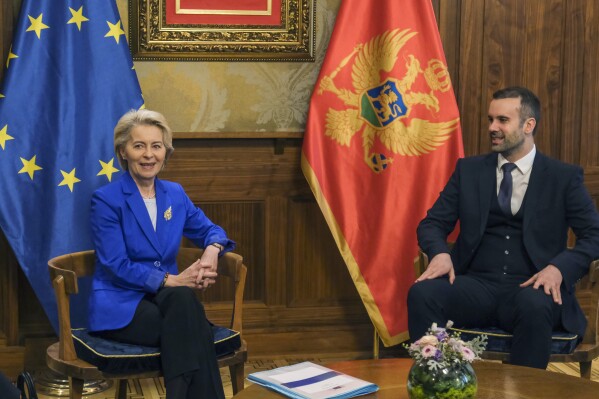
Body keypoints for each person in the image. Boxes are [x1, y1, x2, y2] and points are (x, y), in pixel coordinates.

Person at [407, 86, 599, 369]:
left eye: (502, 120)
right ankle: (438, 381)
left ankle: (523, 391)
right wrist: (439, 253)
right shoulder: (469, 171)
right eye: (490, 119)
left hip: (530, 287)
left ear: (528, 125)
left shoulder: (563, 178)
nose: (492, 128)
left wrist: (559, 269)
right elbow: (432, 223)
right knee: (422, 293)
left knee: (535, 305)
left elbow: (594, 235)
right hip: (475, 286)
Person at [88, 109, 234, 398]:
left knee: (183, 307)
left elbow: (212, 231)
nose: (148, 155)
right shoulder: (106, 200)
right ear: (123, 152)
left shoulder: (174, 194)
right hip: (122, 306)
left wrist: (212, 252)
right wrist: (173, 280)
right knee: (192, 325)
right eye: (138, 146)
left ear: (166, 152)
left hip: (169, 302)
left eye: (156, 146)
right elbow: (116, 264)